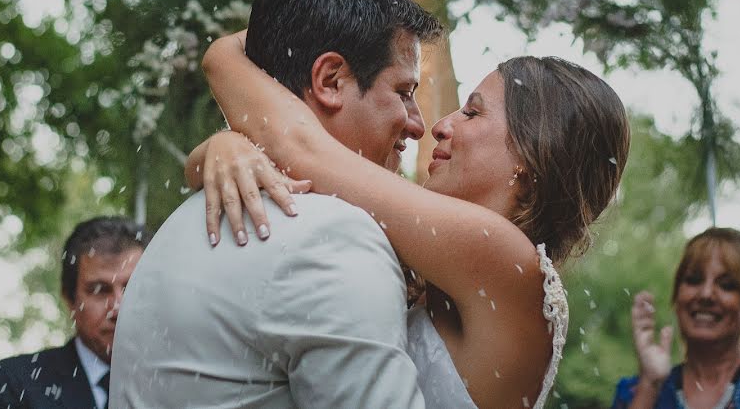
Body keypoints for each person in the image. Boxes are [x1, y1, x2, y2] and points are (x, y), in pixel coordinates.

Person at [187, 27, 631, 407]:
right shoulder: (442, 265)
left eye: (473, 112)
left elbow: (302, 152)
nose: (440, 125)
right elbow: (294, 173)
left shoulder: (505, 258)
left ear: (531, 156)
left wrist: (221, 54)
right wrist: (226, 149)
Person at [109, 0, 445, 408]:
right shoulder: (332, 235)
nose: (419, 126)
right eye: (404, 93)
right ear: (330, 80)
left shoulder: (179, 225)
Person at [0, 216, 151, 409]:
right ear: (70, 299)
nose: (118, 308)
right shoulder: (14, 385)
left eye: (134, 287)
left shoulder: (181, 382)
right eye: (99, 290)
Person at [612, 227, 740, 409]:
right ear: (676, 295)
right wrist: (649, 385)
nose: (706, 293)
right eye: (693, 280)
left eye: (726, 285)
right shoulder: (634, 392)